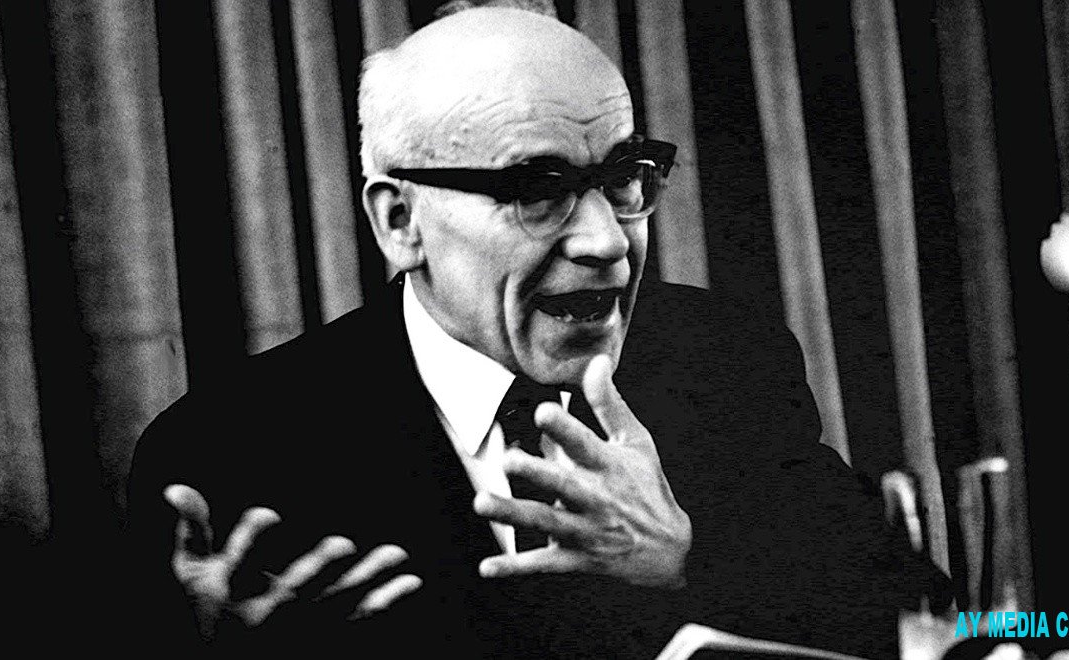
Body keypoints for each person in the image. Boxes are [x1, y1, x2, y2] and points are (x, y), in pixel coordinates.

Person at [128, 6, 944, 657]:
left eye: (624, 177)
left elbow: (931, 621)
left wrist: (686, 561)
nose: (608, 242)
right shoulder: (231, 448)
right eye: (536, 188)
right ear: (401, 222)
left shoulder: (722, 358)